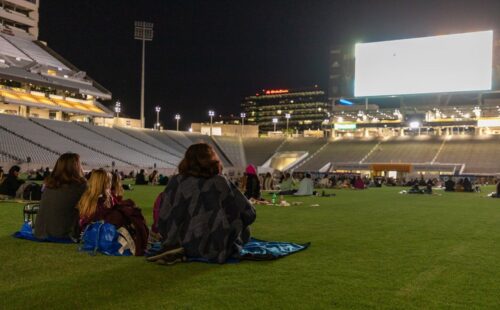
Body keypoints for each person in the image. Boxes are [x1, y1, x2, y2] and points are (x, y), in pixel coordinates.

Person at [151, 143, 256, 264]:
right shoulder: (220, 181)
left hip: (179, 241)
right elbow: (249, 213)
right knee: (246, 230)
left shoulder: (175, 181)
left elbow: (163, 217)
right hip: (214, 246)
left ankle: (180, 248)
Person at [78, 169, 149, 256]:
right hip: (99, 231)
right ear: (104, 183)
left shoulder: (87, 197)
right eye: (109, 181)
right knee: (123, 215)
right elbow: (102, 217)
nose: (111, 183)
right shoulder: (101, 199)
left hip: (89, 233)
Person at [34, 153, 87, 240]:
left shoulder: (49, 184)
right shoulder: (80, 185)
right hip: (62, 233)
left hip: (40, 231)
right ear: (75, 166)